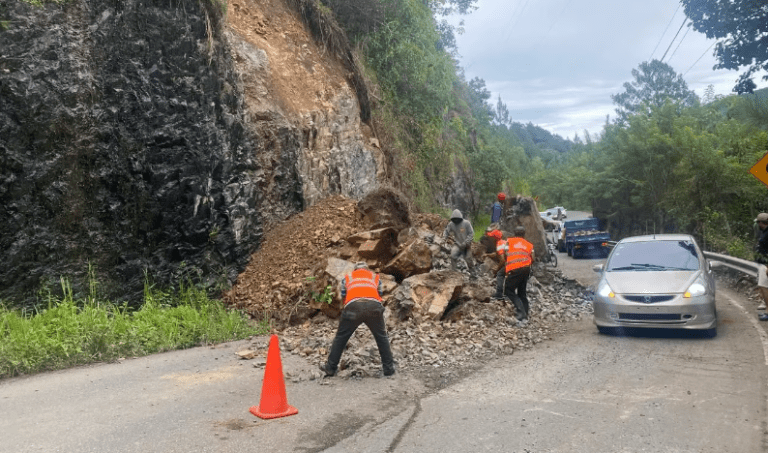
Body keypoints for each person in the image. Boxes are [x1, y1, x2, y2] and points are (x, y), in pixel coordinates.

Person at [320, 262, 395, 376]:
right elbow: (379, 293)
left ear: (355, 270)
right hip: (373, 307)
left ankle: (330, 368)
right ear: (366, 269)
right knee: (381, 337)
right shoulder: (375, 277)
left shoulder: (348, 277)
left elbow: (344, 294)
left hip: (353, 307)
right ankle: (389, 369)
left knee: (341, 338)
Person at [500, 225, 535, 322]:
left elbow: (505, 255)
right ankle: (525, 314)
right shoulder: (529, 244)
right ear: (524, 234)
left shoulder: (509, 241)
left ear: (514, 233)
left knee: (508, 289)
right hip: (526, 269)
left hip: (514, 269)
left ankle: (520, 312)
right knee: (522, 292)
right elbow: (533, 258)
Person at [442, 209, 476, 276]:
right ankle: (454, 272)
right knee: (453, 256)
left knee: (468, 259)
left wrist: (466, 242)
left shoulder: (466, 223)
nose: (456, 221)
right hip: (457, 244)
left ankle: (473, 274)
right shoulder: (451, 224)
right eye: (454, 219)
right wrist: (444, 238)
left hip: (466, 245)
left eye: (457, 219)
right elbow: (446, 231)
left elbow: (471, 233)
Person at [484, 228, 505, 299]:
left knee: (500, 274)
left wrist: (497, 269)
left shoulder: (499, 244)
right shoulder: (503, 242)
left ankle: (499, 294)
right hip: (517, 262)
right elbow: (496, 254)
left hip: (511, 263)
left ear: (494, 239)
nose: (489, 239)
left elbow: (502, 260)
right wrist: (487, 255)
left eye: (491, 237)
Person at [754, 213, 768, 320]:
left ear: (761, 222)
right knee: (763, 286)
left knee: (764, 286)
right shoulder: (763, 232)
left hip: (766, 264)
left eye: (758, 222)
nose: (758, 224)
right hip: (762, 263)